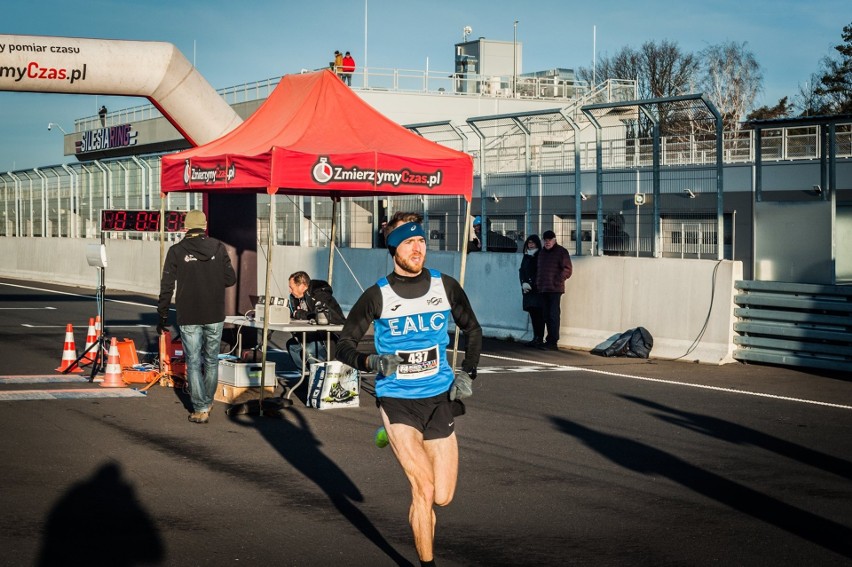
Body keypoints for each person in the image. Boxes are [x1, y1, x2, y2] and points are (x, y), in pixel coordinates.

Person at [335, 211, 482, 567]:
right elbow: (344, 345)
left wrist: (469, 374)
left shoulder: (444, 286)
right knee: (424, 490)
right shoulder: (377, 296)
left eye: (420, 241)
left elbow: (473, 330)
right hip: (397, 399)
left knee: (442, 496)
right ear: (393, 249)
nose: (417, 248)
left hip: (438, 398)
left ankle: (419, 506)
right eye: (408, 242)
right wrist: (371, 363)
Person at [157, 210, 236, 424]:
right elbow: (231, 279)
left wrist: (162, 314)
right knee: (211, 360)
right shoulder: (218, 247)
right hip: (214, 313)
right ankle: (207, 402)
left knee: (192, 361)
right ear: (205, 225)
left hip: (189, 313)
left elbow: (166, 285)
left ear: (185, 227)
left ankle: (200, 407)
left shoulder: (176, 251)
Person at [285, 271, 346, 370]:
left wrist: (300, 314)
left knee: (309, 350)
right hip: (310, 335)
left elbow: (323, 315)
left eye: (291, 287)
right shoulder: (295, 298)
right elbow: (293, 313)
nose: (289, 290)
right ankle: (306, 377)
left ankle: (318, 377)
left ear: (302, 286)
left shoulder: (320, 295)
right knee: (292, 346)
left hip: (329, 337)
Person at [536, 230, 573, 350]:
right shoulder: (541, 253)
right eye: (545, 240)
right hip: (543, 288)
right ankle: (549, 340)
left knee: (553, 315)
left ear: (554, 240)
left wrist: (558, 280)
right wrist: (538, 283)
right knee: (546, 315)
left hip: (555, 289)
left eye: (550, 240)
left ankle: (553, 341)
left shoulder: (561, 252)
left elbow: (568, 269)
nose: (547, 242)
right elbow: (539, 270)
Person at [518, 234, 545, 347]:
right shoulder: (526, 256)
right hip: (527, 290)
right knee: (533, 314)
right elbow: (521, 271)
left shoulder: (540, 255)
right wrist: (523, 283)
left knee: (539, 314)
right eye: (529, 243)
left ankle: (539, 338)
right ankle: (536, 337)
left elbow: (540, 272)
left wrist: (530, 283)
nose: (531, 245)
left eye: (533, 243)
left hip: (537, 290)